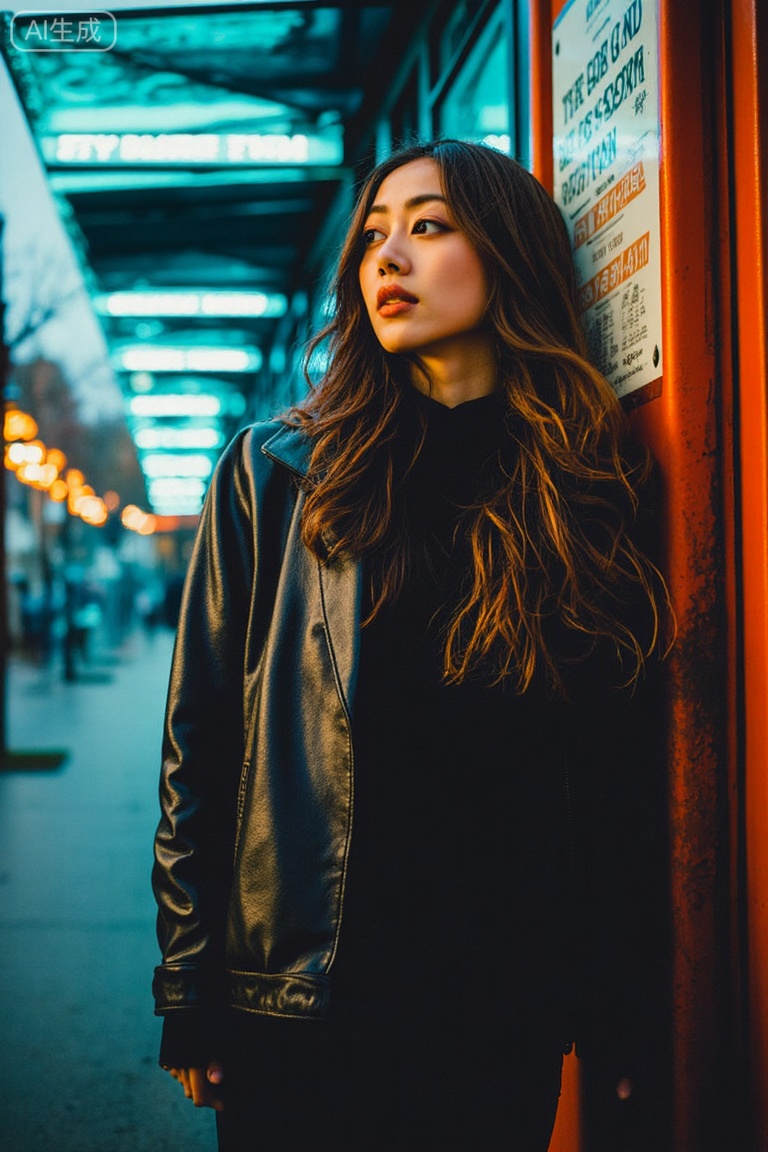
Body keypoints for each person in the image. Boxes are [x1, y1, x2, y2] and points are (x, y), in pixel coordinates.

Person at [152, 139, 672, 1152]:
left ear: (510, 255)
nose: (387, 257)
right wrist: (190, 983)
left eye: (427, 228)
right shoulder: (277, 473)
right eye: (374, 236)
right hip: (304, 1002)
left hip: (501, 1005)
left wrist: (617, 1006)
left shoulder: (583, 480)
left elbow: (612, 773)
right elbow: (200, 744)